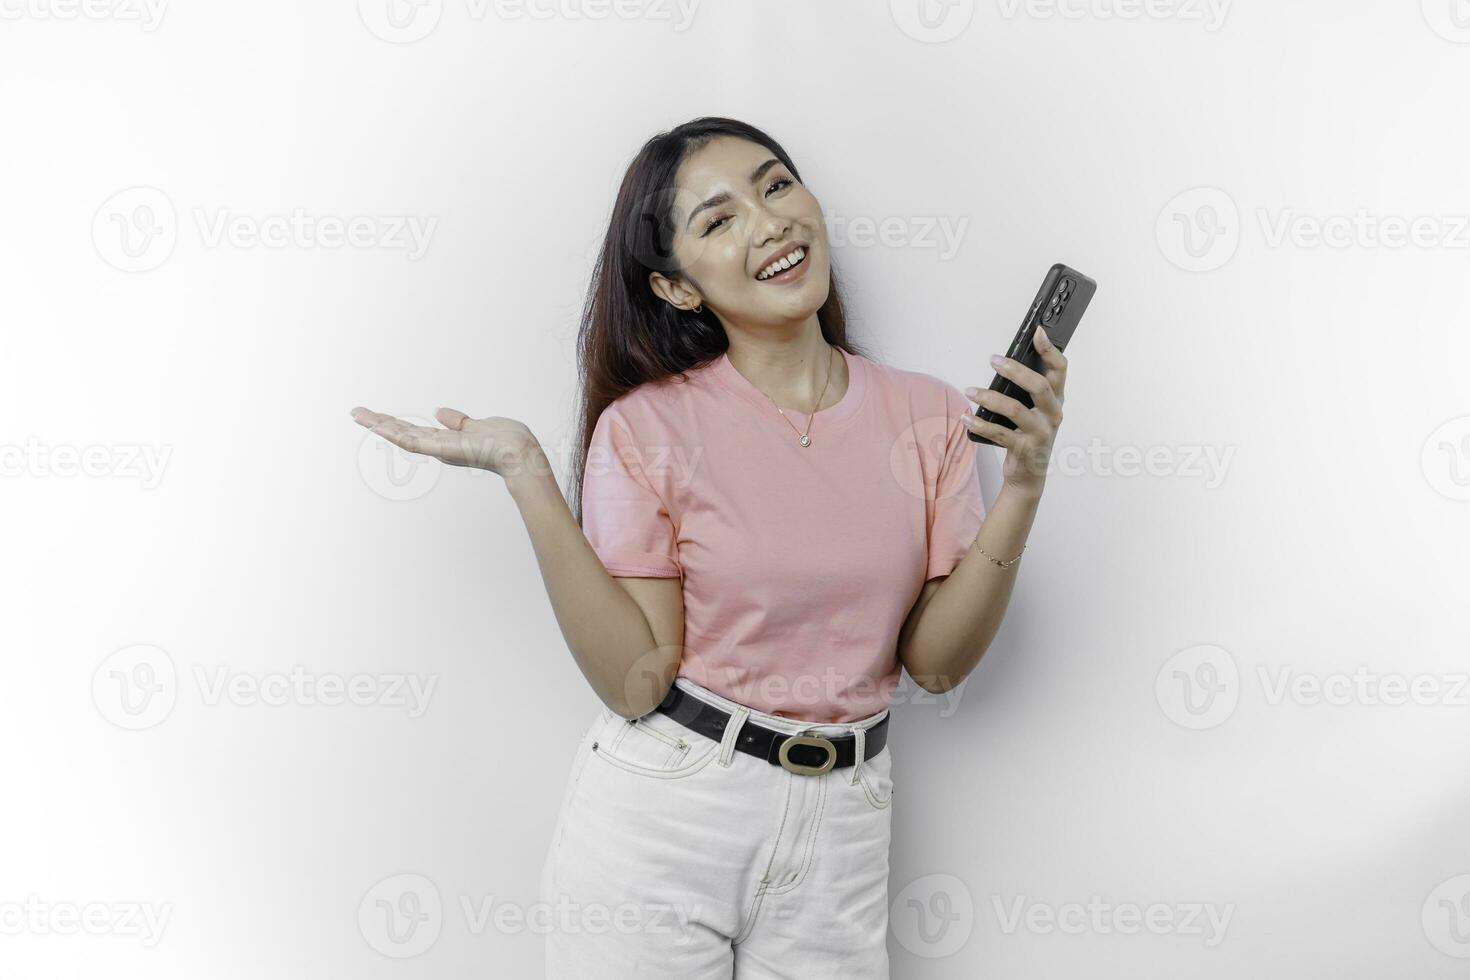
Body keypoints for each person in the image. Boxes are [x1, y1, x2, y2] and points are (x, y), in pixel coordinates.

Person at [350, 116, 1068, 979]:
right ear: (680, 289)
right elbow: (636, 678)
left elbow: (937, 666)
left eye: (776, 186)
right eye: (718, 220)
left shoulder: (929, 417)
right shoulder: (648, 428)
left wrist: (1023, 484)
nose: (769, 223)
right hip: (670, 814)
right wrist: (528, 475)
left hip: (847, 820)